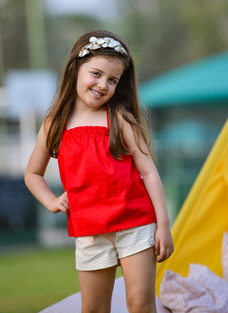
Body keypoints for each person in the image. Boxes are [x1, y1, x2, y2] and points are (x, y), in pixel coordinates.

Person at [25, 29, 174, 313]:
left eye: (113, 80)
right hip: (90, 230)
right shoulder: (54, 124)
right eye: (96, 73)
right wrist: (52, 201)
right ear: (76, 68)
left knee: (140, 303)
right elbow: (32, 173)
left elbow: (149, 173)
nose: (103, 84)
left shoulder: (120, 119)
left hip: (135, 223)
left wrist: (163, 227)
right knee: (93, 308)